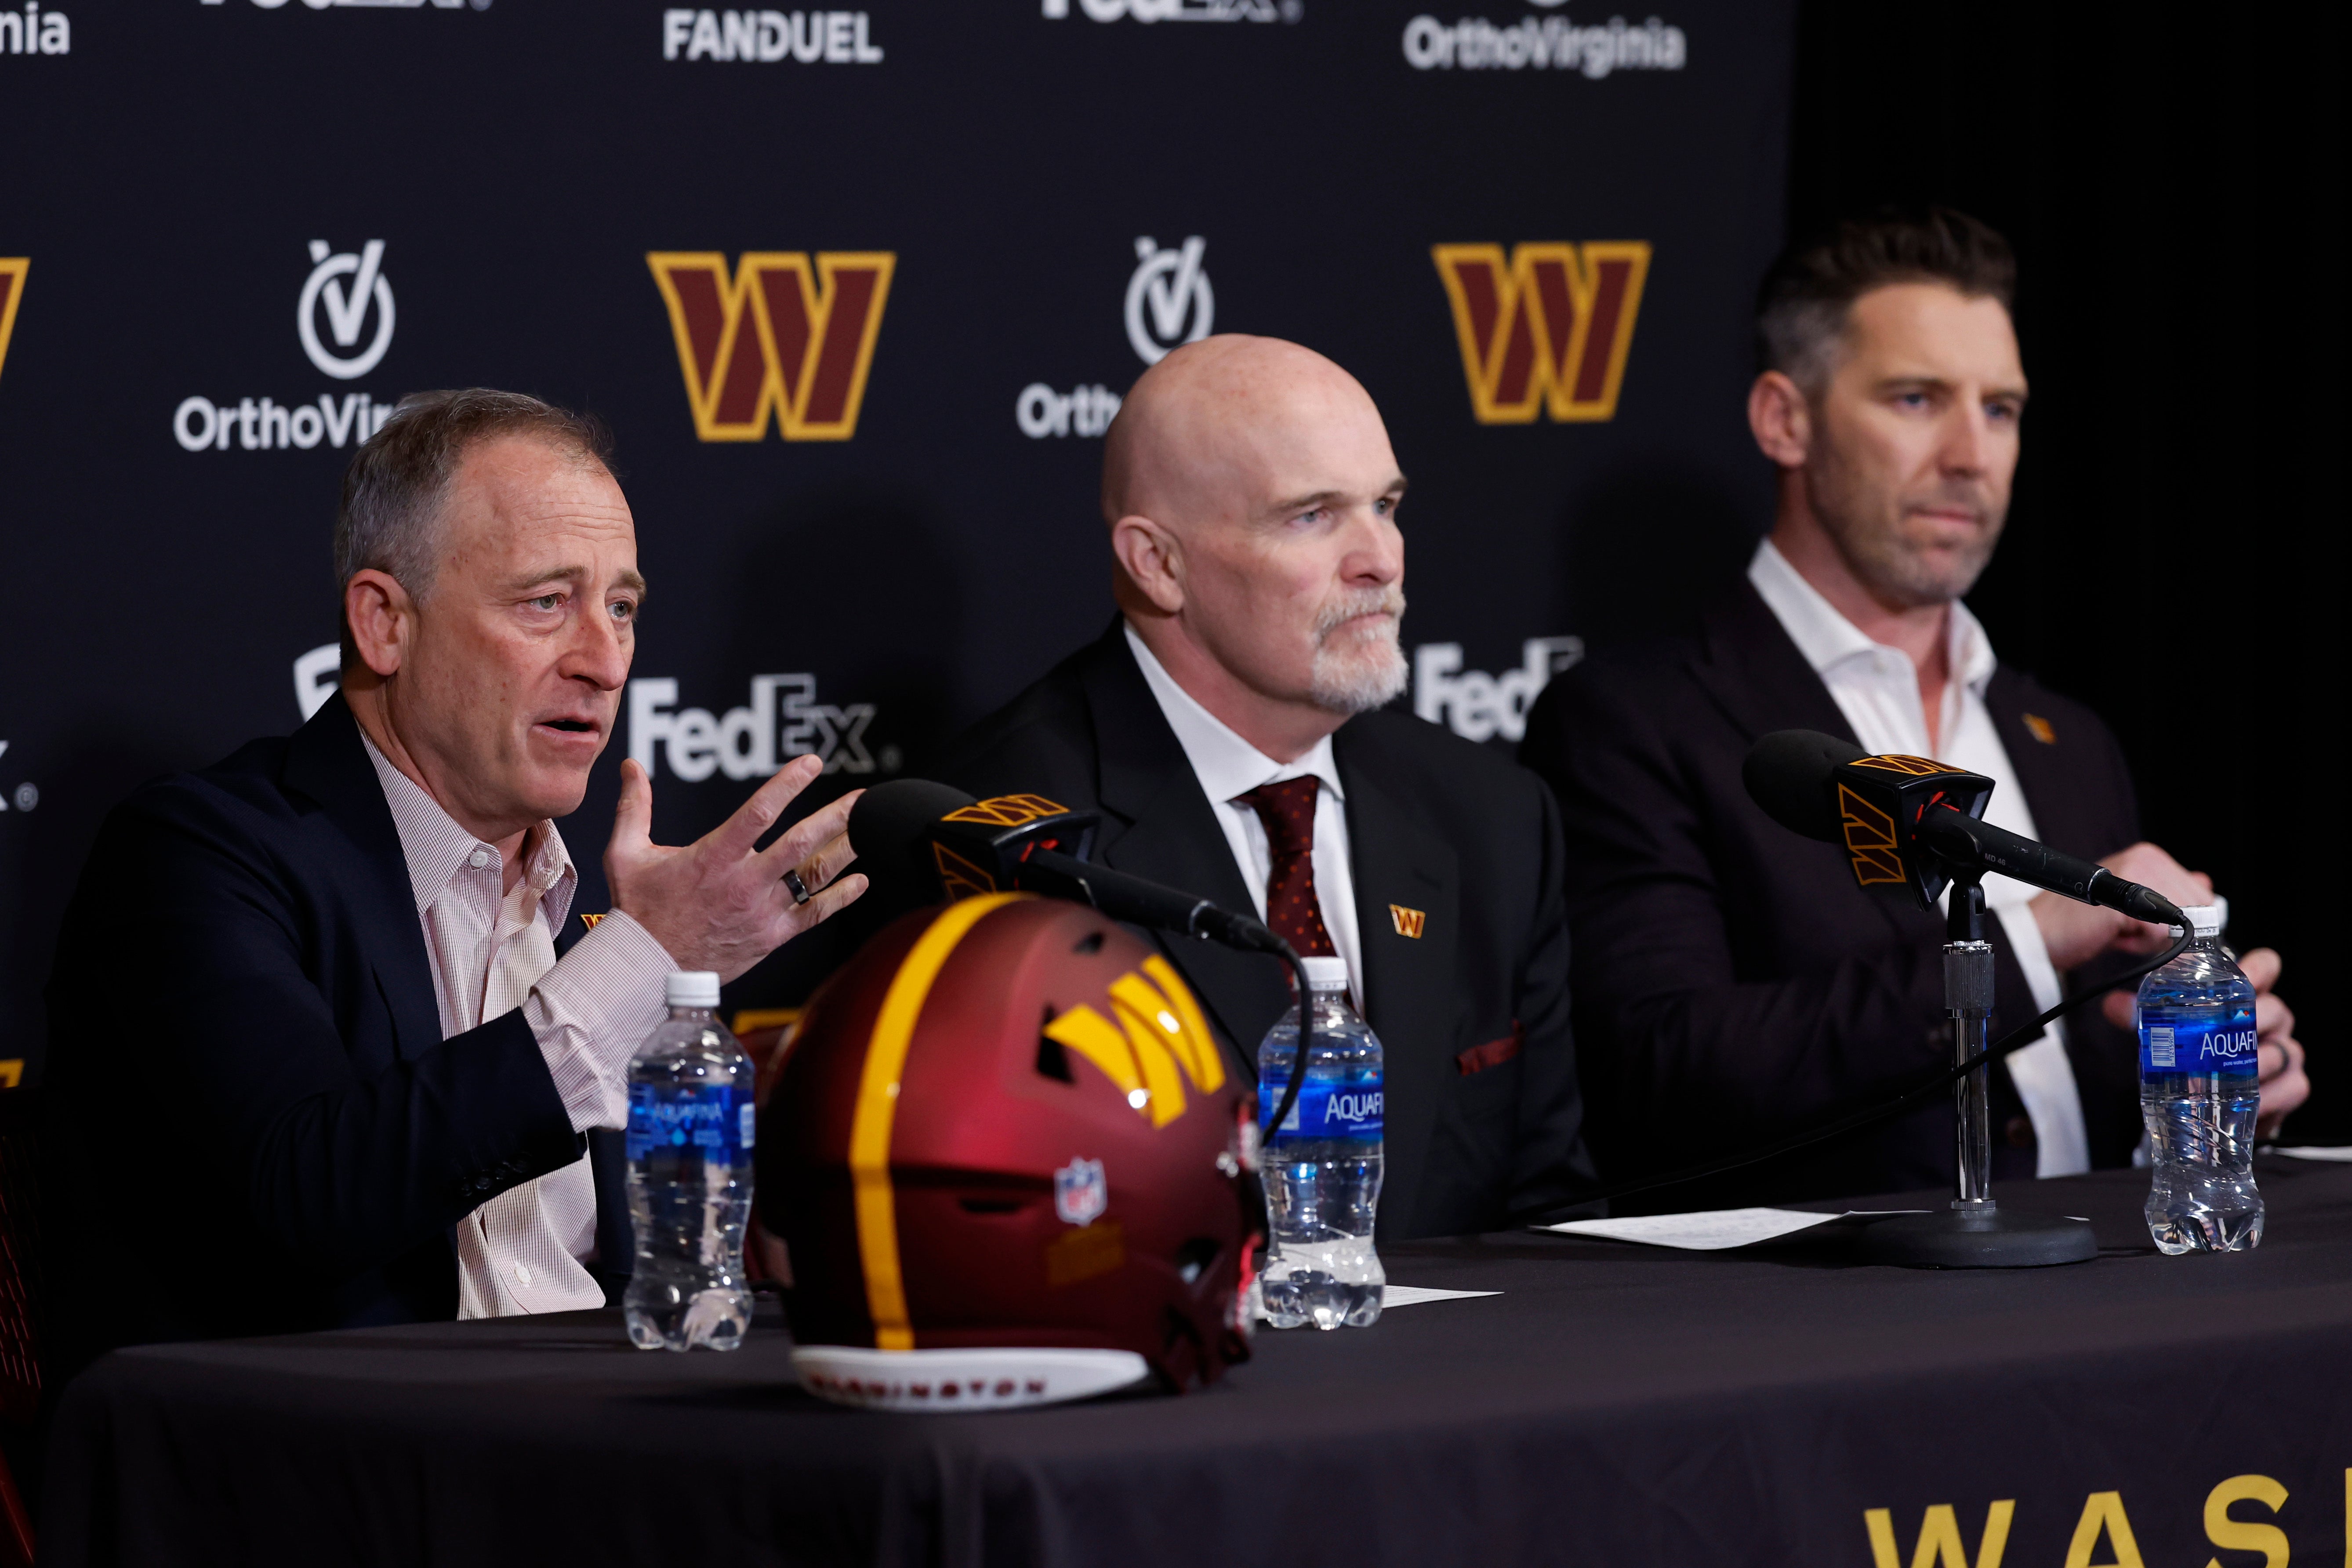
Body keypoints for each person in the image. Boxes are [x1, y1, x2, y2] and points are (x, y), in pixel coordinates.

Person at [41, 390, 866, 1369]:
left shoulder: (590, 910)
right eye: (546, 602)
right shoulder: (197, 855)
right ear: (385, 623)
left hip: (605, 1449)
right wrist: (643, 959)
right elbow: (311, 1188)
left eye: (623, 608)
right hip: (314, 1474)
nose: (606, 661)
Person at [1521, 210, 2306, 1208]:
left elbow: (2083, 1076)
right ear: (1784, 419)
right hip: (1831, 1331)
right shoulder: (1636, 720)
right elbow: (1660, 1073)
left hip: (2111, 1302)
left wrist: (2207, 1084)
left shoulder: (2065, 736)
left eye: (2001, 410)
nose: (1969, 454)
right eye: (1916, 397)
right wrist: (2030, 935)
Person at [931, 334, 1594, 1239]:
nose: (1382, 560)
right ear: (1158, 564)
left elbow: (1550, 1213)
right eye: (1311, 515)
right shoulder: (1005, 832)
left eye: (1386, 505)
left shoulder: (1490, 815)